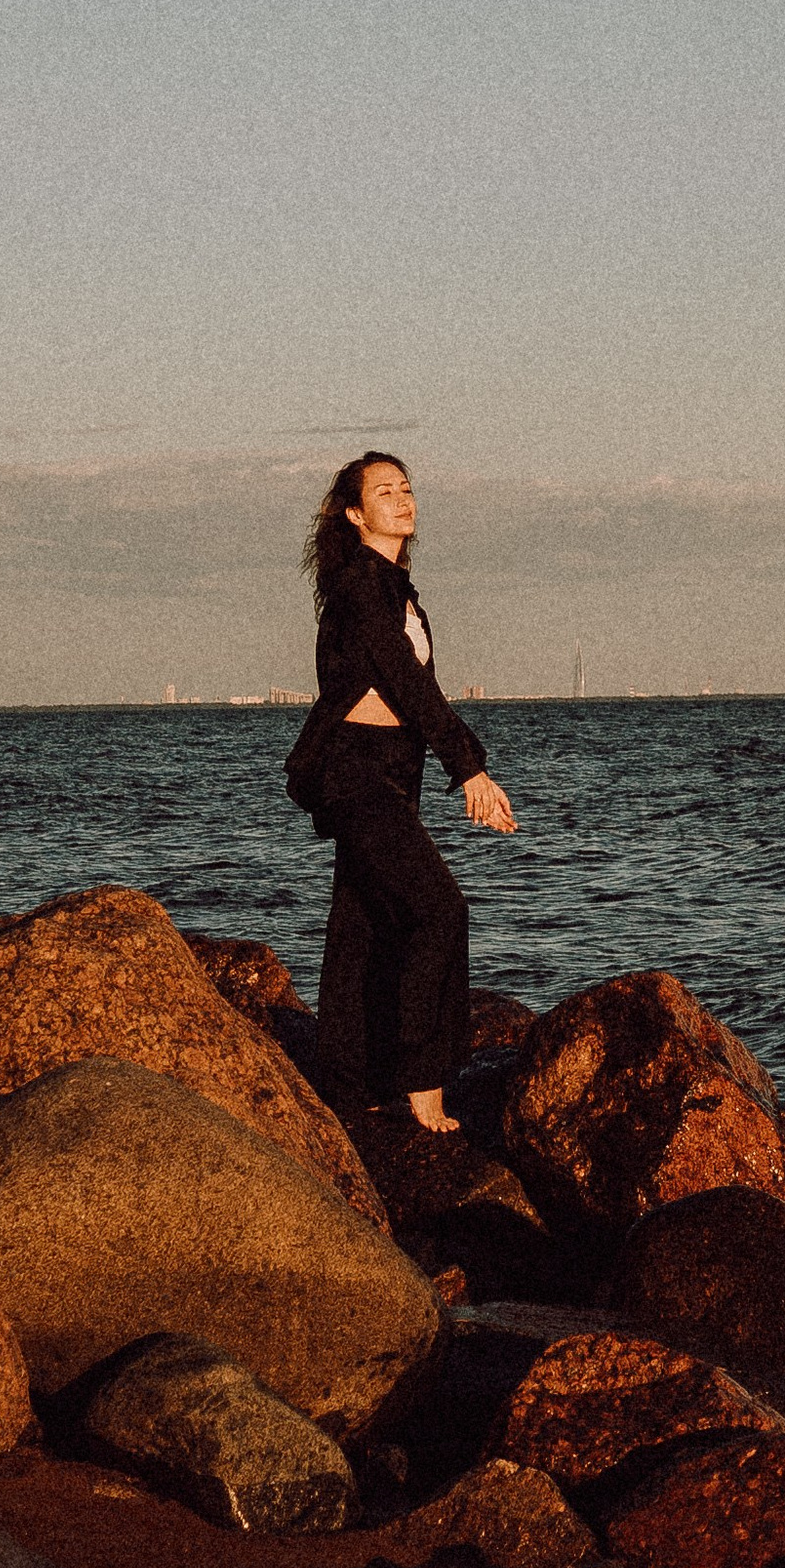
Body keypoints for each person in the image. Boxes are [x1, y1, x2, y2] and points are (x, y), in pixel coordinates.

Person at [285, 454, 516, 1134]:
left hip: (388, 769)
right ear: (355, 514)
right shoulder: (361, 585)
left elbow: (412, 693)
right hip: (355, 771)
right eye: (384, 491)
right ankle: (421, 1085)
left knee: (362, 930)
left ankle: (348, 1089)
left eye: (407, 488)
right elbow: (408, 685)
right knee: (439, 912)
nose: (403, 499)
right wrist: (468, 768)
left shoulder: (393, 588)